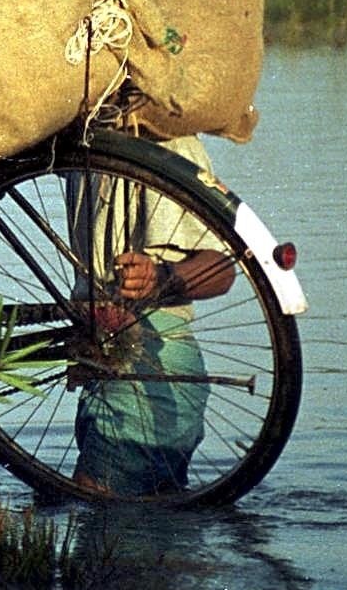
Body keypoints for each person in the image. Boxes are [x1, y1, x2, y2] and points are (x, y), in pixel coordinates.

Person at [70, 133, 235, 495]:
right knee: (150, 516)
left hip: (151, 373)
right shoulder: (85, 143)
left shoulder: (172, 147)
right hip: (108, 366)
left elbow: (222, 268)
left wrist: (160, 277)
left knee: (97, 508)